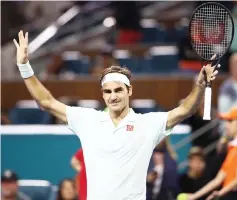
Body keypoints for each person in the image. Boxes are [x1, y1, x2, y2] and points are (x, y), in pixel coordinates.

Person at [13, 30, 219, 200]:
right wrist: (24, 66)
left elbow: (185, 110)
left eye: (118, 90)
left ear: (129, 91)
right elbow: (47, 102)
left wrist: (200, 85)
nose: (113, 96)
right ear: (102, 94)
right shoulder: (88, 120)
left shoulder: (148, 123)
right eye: (108, 92)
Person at [187, 107, 237, 200]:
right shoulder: (232, 148)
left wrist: (221, 193)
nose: (226, 125)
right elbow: (218, 180)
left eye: (230, 121)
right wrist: (194, 196)